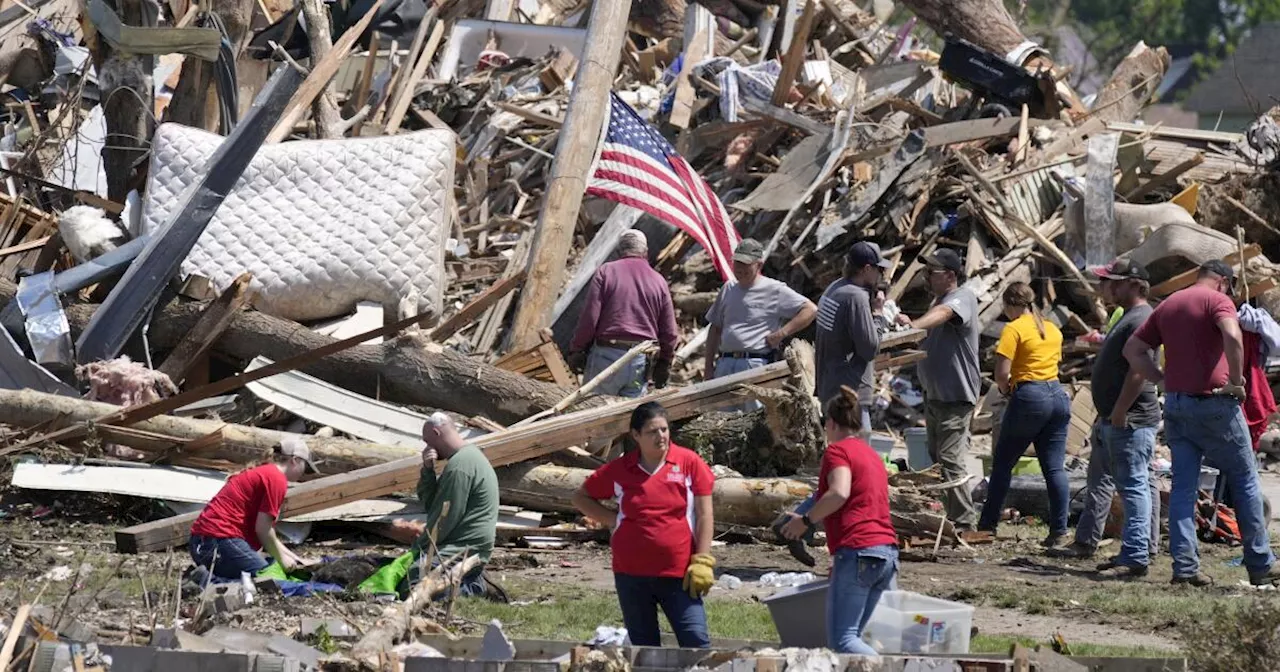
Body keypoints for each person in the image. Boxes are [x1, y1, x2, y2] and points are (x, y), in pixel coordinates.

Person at [1123, 260, 1280, 587]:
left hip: (1178, 405)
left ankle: (1185, 568)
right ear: (1224, 282)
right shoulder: (1218, 300)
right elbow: (1233, 337)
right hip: (1215, 402)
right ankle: (1261, 563)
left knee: (1183, 485)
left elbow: (1134, 349)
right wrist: (1236, 382)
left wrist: (1162, 380)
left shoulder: (1168, 304)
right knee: (1245, 478)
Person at [572, 402, 716, 648]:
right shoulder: (621, 468)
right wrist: (613, 520)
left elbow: (704, 515)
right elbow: (580, 497)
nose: (661, 436)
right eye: (652, 431)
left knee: (696, 642)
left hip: (678, 573)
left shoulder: (689, 463)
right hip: (631, 574)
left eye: (664, 429)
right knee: (644, 647)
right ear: (636, 435)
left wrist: (702, 561)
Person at [780, 386, 897, 655]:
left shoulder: (837, 452)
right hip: (886, 554)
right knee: (855, 637)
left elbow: (839, 493)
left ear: (831, 423)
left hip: (859, 552)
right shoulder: (871, 455)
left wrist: (806, 522)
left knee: (843, 642)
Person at [1055, 263, 1160, 562]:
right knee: (1105, 481)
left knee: (1135, 486)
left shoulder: (1142, 319)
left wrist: (1119, 411)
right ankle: (1088, 541)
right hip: (1112, 418)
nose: (1103, 288)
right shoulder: (1128, 317)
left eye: (1111, 282)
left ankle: (1137, 553)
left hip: (1128, 419)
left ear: (1134, 284)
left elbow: (1139, 373)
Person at [977, 283, 1071, 547]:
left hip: (1030, 396)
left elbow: (1001, 373)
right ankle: (1059, 531)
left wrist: (1007, 391)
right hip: (1058, 396)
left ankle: (987, 526)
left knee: (1003, 463)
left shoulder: (1014, 328)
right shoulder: (1052, 328)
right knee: (1054, 468)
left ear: (1011, 305)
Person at [910, 248, 980, 530]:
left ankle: (964, 521)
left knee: (950, 458)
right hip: (936, 394)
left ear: (950, 275)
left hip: (955, 395)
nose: (926, 277)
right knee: (938, 457)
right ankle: (950, 516)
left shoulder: (961, 297)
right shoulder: (938, 299)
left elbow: (943, 314)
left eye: (932, 272)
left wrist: (913, 326)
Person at [570, 230, 679, 397]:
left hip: (606, 358)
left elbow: (590, 318)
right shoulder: (659, 281)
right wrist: (665, 362)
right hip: (639, 361)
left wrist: (577, 349)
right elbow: (670, 332)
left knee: (593, 414)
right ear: (645, 252)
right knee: (630, 418)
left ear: (619, 251)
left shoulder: (606, 272)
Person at [189, 439, 316, 580]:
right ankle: (206, 580)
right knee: (268, 578)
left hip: (204, 543)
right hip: (218, 541)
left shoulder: (267, 472)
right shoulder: (276, 479)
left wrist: (295, 559)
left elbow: (268, 533)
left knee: (274, 569)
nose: (303, 473)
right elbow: (263, 530)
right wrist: (283, 560)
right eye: (304, 466)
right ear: (295, 460)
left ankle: (209, 576)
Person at [703, 238, 816, 386]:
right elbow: (715, 328)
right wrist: (708, 367)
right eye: (737, 262)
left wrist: (781, 333)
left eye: (746, 264)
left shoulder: (774, 289)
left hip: (755, 364)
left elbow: (810, 310)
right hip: (725, 363)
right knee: (720, 409)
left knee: (754, 409)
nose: (740, 268)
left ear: (759, 265)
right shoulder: (728, 289)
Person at [409, 412, 500, 594]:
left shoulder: (460, 466)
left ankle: (474, 587)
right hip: (464, 544)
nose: (427, 447)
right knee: (413, 570)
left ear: (436, 433)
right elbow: (433, 504)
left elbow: (445, 517)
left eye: (428, 441)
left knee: (413, 578)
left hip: (465, 546)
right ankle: (468, 579)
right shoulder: (465, 458)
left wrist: (419, 549)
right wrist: (428, 471)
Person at [814, 241, 892, 423]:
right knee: (856, 449)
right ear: (866, 269)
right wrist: (878, 314)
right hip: (850, 393)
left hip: (830, 386)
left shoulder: (835, 287)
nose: (881, 275)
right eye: (879, 270)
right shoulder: (856, 297)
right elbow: (870, 349)